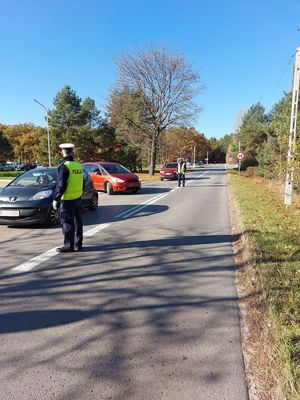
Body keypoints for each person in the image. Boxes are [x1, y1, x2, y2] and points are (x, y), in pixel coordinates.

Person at [53, 143, 84, 253]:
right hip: (77, 197)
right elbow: (82, 181)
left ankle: (68, 246)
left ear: (63, 152)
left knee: (67, 222)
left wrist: (56, 198)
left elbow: (61, 184)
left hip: (67, 199)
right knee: (77, 221)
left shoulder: (64, 166)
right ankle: (78, 243)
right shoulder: (78, 165)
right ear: (72, 152)